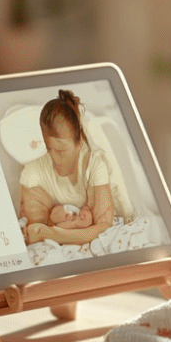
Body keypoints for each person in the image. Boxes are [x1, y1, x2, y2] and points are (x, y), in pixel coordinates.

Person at [19, 89, 132, 246]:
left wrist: (54, 233)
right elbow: (35, 233)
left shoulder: (94, 164)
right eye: (48, 149)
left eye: (61, 151)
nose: (53, 158)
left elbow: (104, 227)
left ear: (79, 142)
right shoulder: (33, 174)